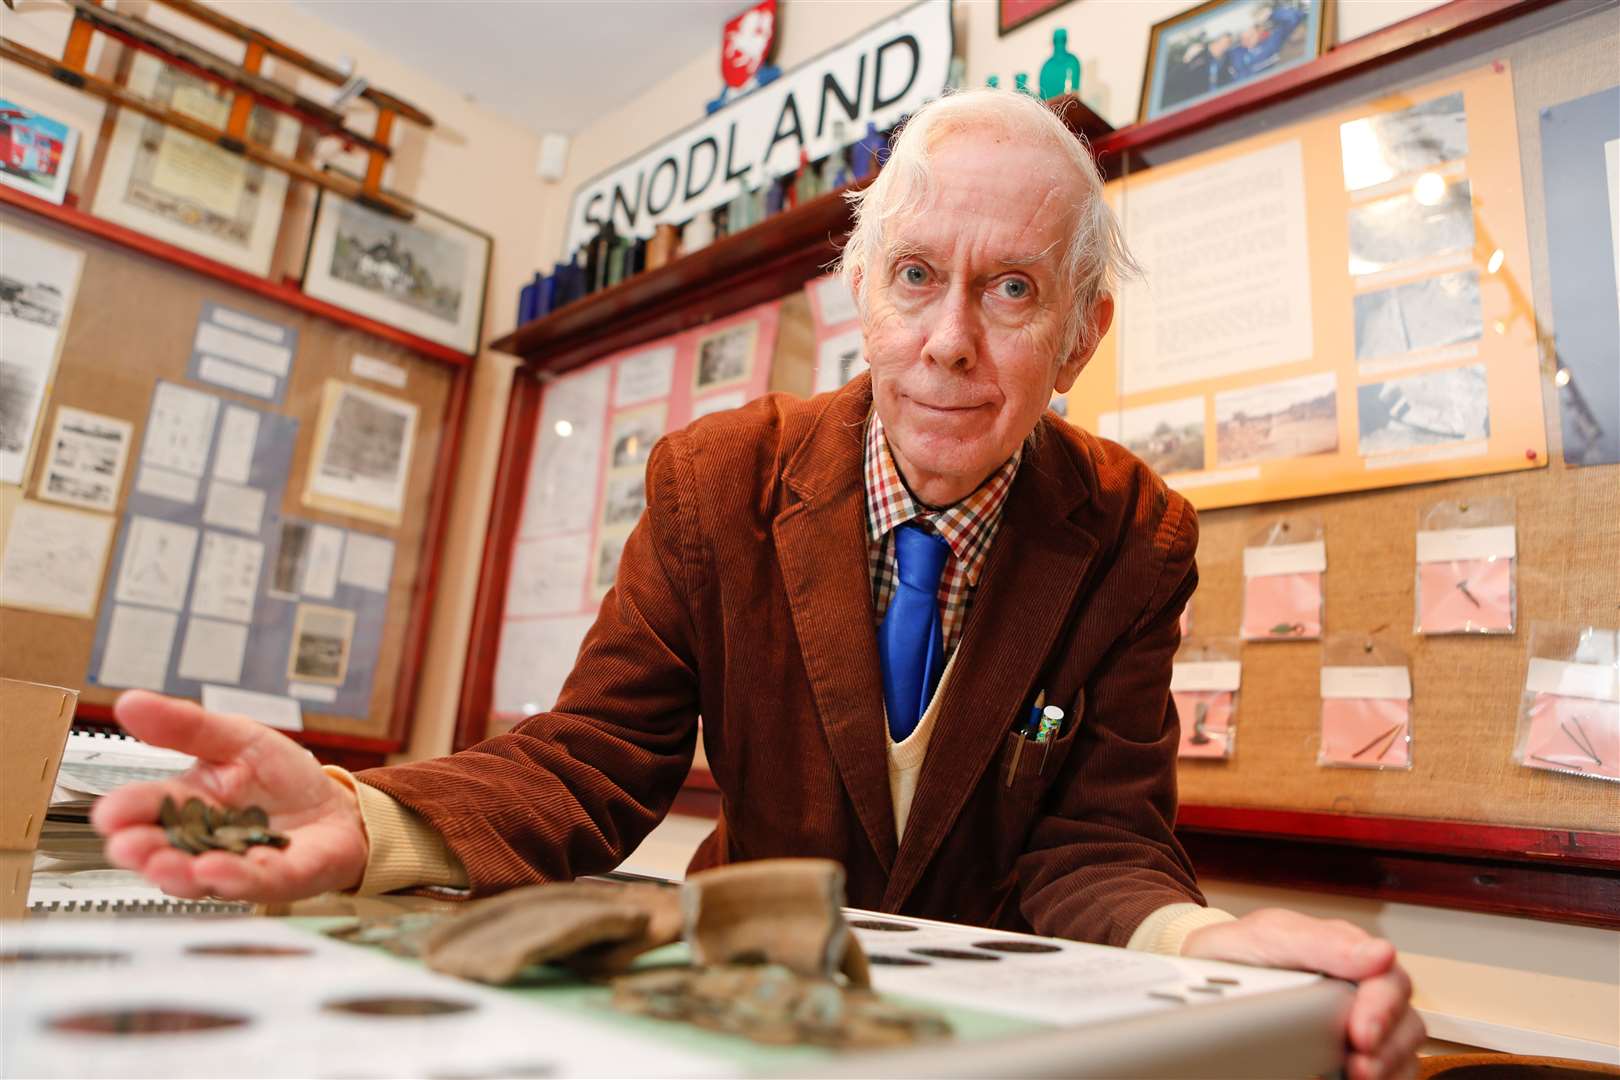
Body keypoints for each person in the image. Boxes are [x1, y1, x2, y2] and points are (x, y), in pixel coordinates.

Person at [96, 89, 1422, 1079]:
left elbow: (1097, 847)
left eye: (1012, 290)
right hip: (733, 1008)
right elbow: (595, 759)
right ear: (861, 293)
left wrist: (1205, 947)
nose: (950, 342)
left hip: (993, 1037)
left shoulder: (1136, 533)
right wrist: (358, 817)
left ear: (1081, 335)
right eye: (916, 278)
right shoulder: (713, 480)